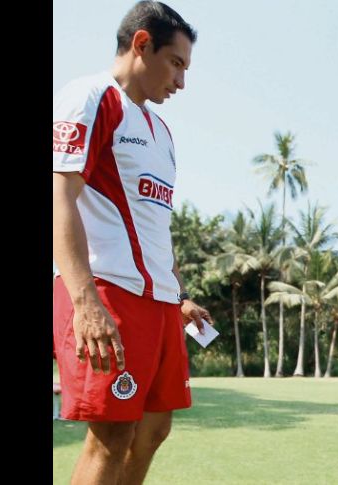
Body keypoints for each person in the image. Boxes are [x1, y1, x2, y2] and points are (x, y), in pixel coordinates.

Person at [52, 2, 210, 483]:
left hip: (158, 302)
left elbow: (153, 226)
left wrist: (178, 297)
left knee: (154, 429)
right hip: (107, 291)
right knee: (112, 435)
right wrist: (86, 303)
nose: (181, 81)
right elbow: (59, 197)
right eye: (176, 63)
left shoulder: (161, 131)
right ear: (142, 44)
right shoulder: (90, 97)